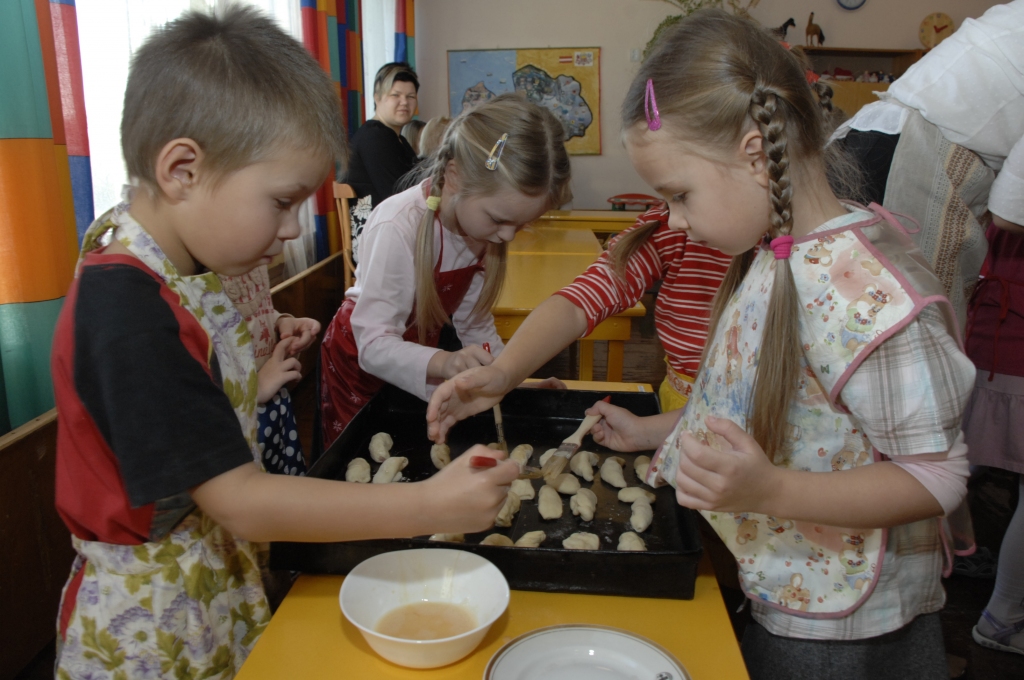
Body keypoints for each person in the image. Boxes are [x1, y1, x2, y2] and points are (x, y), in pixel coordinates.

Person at [430, 12, 975, 679]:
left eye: (679, 194)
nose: (674, 220)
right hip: (777, 577)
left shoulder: (869, 297)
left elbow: (937, 476)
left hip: (842, 619)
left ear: (753, 152)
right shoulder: (769, 251)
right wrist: (657, 428)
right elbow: (784, 412)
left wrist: (771, 489)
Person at [50, 9, 519, 679]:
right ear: (182, 169)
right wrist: (427, 504)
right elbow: (240, 499)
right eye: (281, 202)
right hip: (152, 621)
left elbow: (180, 393)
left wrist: (257, 354)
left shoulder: (168, 261)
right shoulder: (127, 308)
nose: (293, 228)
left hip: (208, 576)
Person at [319, 93, 572, 448]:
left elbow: (476, 328)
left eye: (521, 224)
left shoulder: (482, 230)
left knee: (411, 444)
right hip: (357, 365)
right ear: (454, 177)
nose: (507, 236)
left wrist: (511, 381)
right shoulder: (397, 225)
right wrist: (443, 362)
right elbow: (374, 345)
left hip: (423, 353)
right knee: (361, 454)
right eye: (500, 220)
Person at [962, 217, 1024, 656]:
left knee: (959, 457)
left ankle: (936, 552)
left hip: (988, 328)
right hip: (1012, 336)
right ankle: (1004, 617)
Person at [220, 264, 320, 475]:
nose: (291, 231)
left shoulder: (249, 257)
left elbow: (254, 312)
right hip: (239, 420)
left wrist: (280, 321)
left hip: (274, 401)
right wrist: (253, 390)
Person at [345, 62, 421, 263]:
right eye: (395, 95)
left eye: (410, 96)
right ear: (377, 98)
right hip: (377, 241)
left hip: (395, 232)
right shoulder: (374, 137)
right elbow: (399, 194)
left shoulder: (397, 139)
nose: (404, 102)